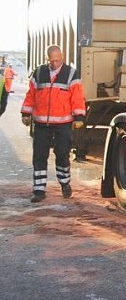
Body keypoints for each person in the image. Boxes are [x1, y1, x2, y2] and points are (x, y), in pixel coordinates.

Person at [21, 45, 86, 202]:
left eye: (58, 60)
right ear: (47, 59)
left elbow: (77, 97)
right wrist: (26, 113)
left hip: (63, 123)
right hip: (41, 123)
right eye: (52, 60)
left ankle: (65, 183)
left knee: (63, 154)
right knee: (39, 156)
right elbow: (31, 94)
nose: (55, 63)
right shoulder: (39, 72)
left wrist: (79, 117)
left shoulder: (71, 73)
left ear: (62, 57)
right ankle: (38, 190)